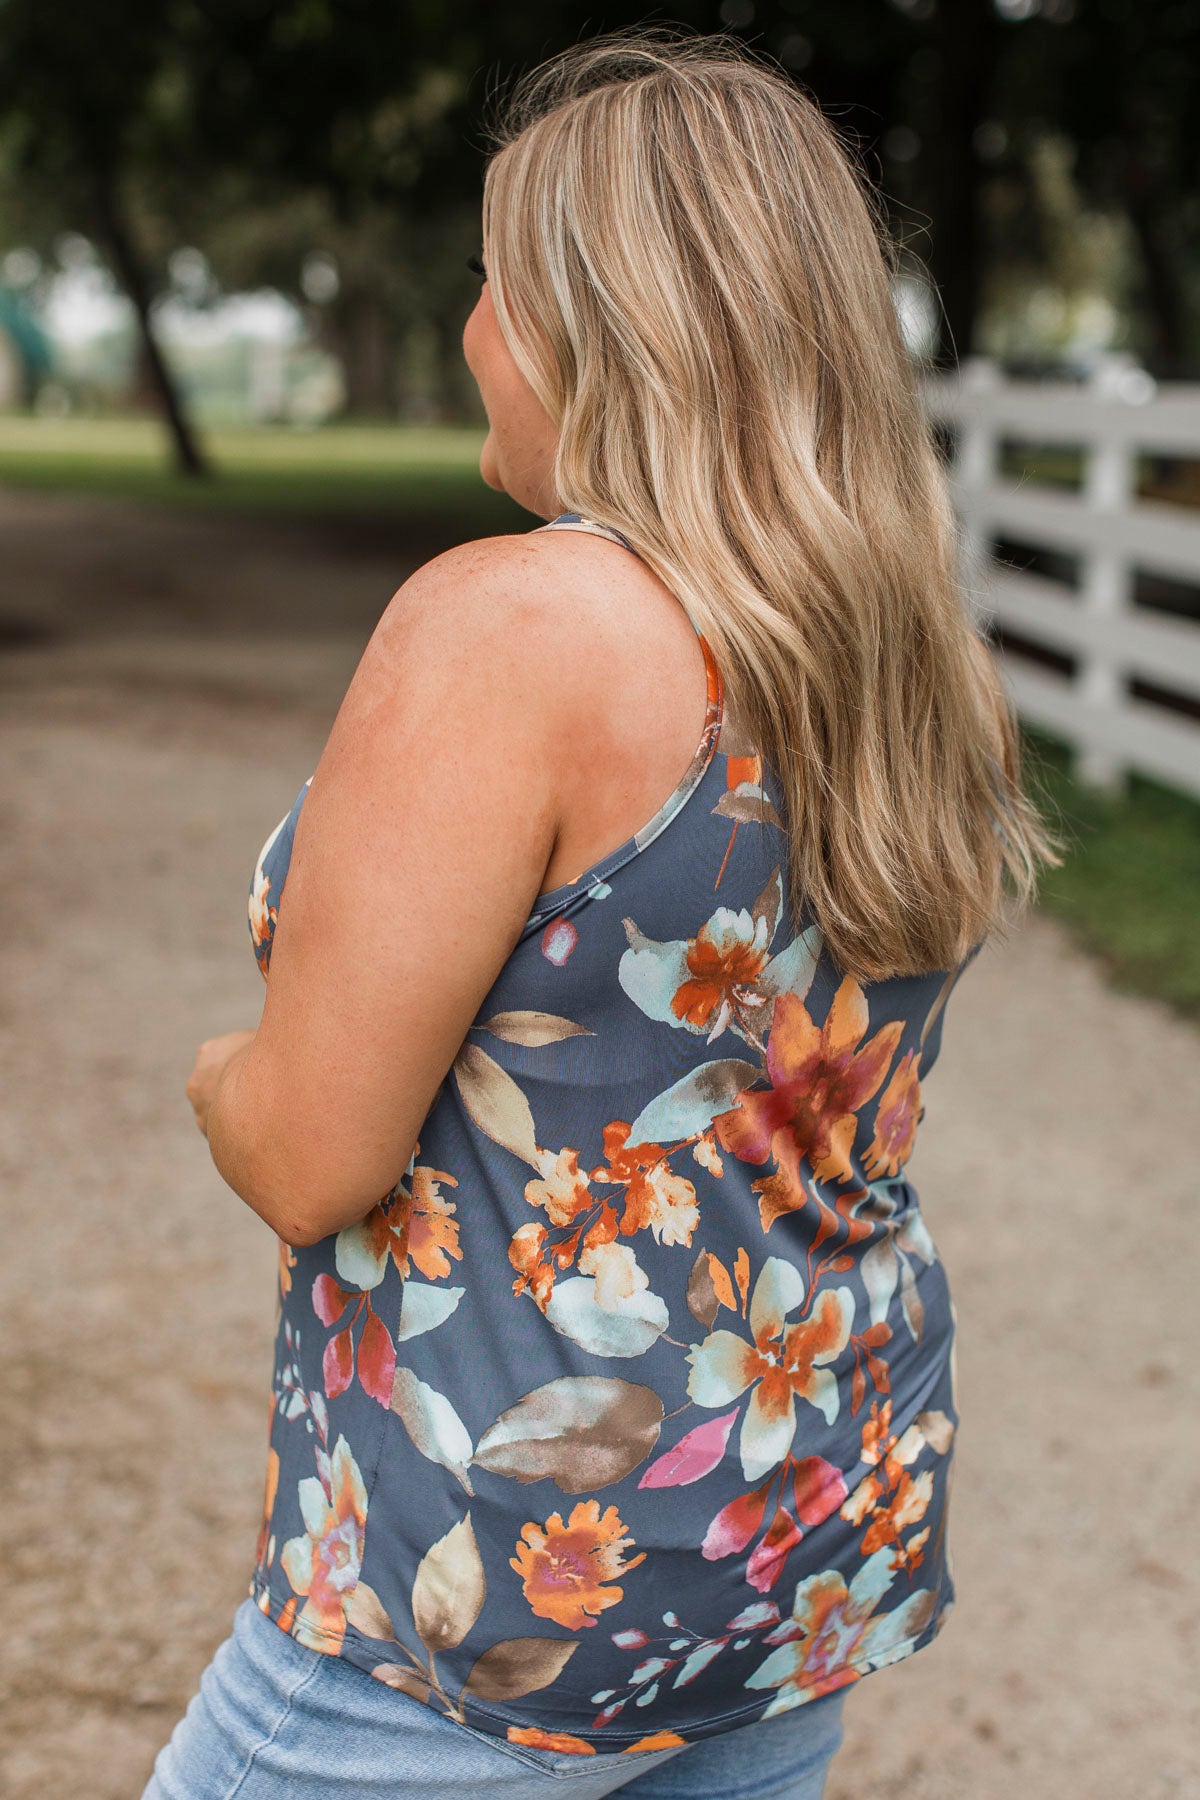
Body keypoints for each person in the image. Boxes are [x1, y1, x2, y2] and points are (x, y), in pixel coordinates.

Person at [151, 28, 1054, 1800]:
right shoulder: (900, 657)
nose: (474, 328)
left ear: (580, 319)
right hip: (785, 1546)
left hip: (491, 1597)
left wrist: (219, 1075)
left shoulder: (515, 626)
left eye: (490, 282)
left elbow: (312, 1154)